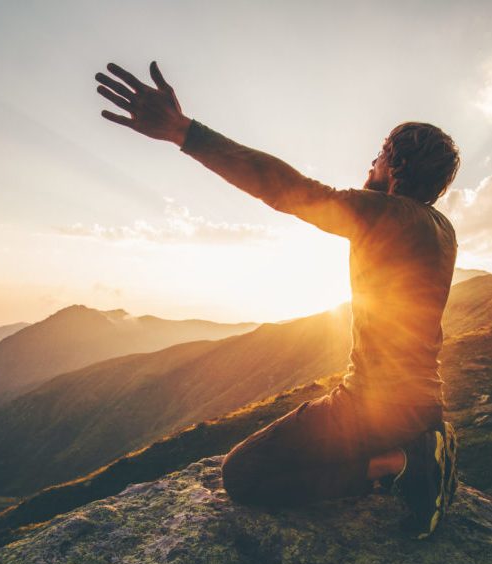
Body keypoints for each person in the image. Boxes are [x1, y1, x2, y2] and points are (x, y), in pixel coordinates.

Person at [95, 61, 460, 539]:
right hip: (421, 402)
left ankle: (400, 464)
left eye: (378, 155)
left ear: (396, 164)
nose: (368, 165)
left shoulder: (384, 214)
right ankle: (416, 448)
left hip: (373, 405)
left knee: (243, 475)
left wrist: (185, 132)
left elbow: (288, 190)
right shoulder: (442, 230)